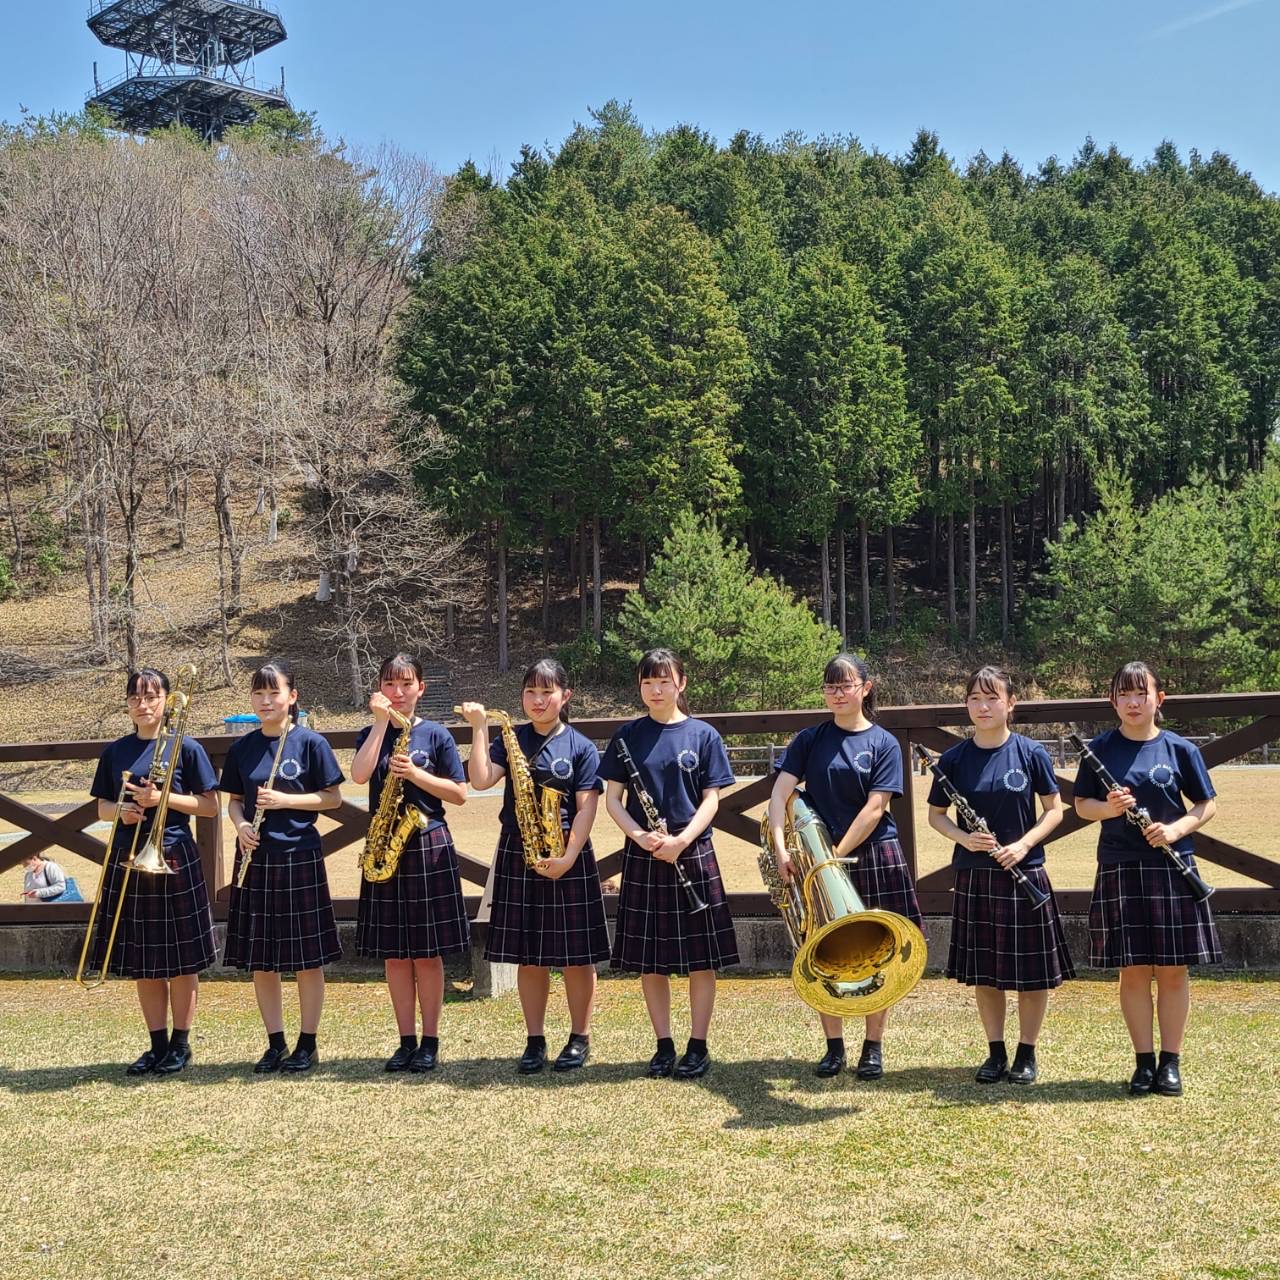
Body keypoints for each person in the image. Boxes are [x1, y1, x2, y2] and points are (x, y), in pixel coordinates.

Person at [768, 653, 923, 1081]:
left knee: (880, 951)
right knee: (818, 946)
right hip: (817, 859)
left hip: (873, 855)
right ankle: (833, 1048)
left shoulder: (884, 743)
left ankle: (873, 1047)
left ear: (865, 688)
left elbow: (876, 808)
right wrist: (782, 849)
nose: (838, 694)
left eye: (847, 685)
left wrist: (833, 854)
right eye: (831, 687)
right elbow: (779, 795)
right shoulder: (809, 739)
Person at [1073, 661, 1221, 1097]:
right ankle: (1143, 1062)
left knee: (1173, 971)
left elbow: (1205, 804)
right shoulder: (1099, 748)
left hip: (1173, 865)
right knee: (1133, 970)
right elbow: (1082, 805)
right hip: (1121, 864)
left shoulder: (1179, 749)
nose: (1133, 703)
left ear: (1159, 699)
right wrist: (1111, 808)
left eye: (1141, 694)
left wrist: (1175, 830)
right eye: (1124, 694)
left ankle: (1170, 1062)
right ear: (1113, 701)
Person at [460, 659, 609, 1075]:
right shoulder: (511, 738)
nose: (538, 701)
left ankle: (580, 1038)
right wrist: (477, 728)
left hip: (568, 852)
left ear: (566, 695)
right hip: (518, 850)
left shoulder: (579, 746)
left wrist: (568, 857)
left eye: (547, 692)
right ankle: (535, 1040)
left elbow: (586, 809)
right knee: (529, 955)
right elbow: (480, 780)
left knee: (578, 956)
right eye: (530, 692)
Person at [925, 666, 1072, 1085]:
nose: (983, 706)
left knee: (1032, 971)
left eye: (992, 698)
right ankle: (995, 1051)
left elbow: (1054, 810)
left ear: (1011, 704)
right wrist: (964, 837)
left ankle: (1027, 1051)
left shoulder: (1031, 753)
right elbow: (936, 816)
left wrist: (1024, 845)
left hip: (1024, 870)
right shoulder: (953, 759)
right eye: (974, 698)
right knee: (986, 970)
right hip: (977, 873)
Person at [599, 648, 739, 1080]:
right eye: (647, 682)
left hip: (691, 851)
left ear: (681, 683)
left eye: (664, 681)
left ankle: (698, 1045)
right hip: (645, 854)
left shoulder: (703, 735)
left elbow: (712, 798)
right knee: (651, 960)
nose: (655, 689)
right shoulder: (627, 736)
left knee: (701, 959)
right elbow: (612, 800)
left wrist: (681, 840)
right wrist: (640, 837)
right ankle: (663, 1045)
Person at [86, 667, 219, 1076]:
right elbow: (102, 807)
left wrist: (163, 798)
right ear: (127, 705)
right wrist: (122, 811)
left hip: (175, 852)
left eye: (151, 696)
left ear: (166, 700)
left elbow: (210, 805)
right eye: (135, 699)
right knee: (144, 958)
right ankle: (156, 1045)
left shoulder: (187, 747)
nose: (143, 705)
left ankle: (182, 1043)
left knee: (181, 960)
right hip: (130, 854)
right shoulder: (116, 752)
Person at [220, 660, 344, 1075]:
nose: (266, 700)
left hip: (299, 855)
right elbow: (234, 799)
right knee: (262, 957)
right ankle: (275, 1042)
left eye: (274, 692)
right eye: (258, 693)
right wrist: (239, 826)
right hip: (255, 857)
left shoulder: (310, 743)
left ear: (292, 697)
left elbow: (332, 798)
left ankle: (307, 1044)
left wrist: (287, 801)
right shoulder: (242, 748)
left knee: (307, 957)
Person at [351, 653, 469, 1074]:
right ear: (379, 689)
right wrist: (382, 724)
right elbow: (360, 775)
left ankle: (430, 1041)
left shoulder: (436, 736)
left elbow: (458, 794)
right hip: (385, 847)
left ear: (421, 688)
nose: (397, 693)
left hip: (426, 844)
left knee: (428, 953)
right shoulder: (372, 731)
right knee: (396, 955)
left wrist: (417, 776)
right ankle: (405, 1041)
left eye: (406, 685)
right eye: (389, 685)